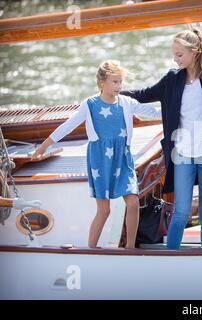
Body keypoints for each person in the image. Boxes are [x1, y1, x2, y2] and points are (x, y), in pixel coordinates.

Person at [121, 28, 202, 250]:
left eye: (179, 54)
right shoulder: (173, 78)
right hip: (182, 152)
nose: (175, 59)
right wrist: (114, 93)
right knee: (181, 211)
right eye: (174, 54)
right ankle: (171, 258)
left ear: (195, 52)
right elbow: (144, 94)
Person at [32, 60, 161, 248]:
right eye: (114, 82)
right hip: (100, 160)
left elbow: (154, 113)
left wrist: (181, 110)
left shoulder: (127, 103)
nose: (119, 86)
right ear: (102, 83)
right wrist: (45, 145)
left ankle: (130, 248)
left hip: (123, 158)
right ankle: (91, 249)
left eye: (120, 82)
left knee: (132, 202)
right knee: (104, 210)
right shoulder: (90, 104)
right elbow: (68, 125)